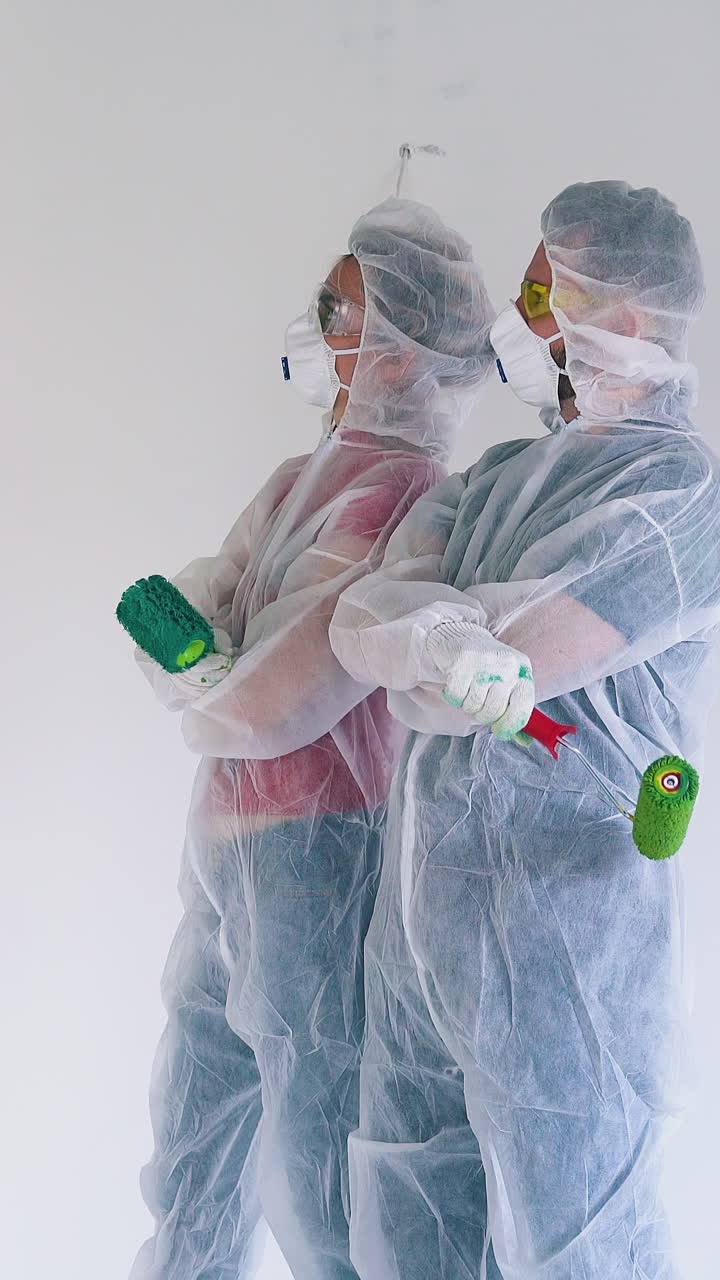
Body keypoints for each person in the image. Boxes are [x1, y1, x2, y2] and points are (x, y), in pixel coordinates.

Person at [329, 180, 720, 1279]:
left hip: (567, 940)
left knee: (577, 1246)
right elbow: (364, 618)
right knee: (412, 1226)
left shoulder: (683, 496)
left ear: (626, 317)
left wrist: (434, 640)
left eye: (545, 294)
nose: (519, 317)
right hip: (421, 930)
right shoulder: (496, 475)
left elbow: (509, 658)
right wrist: (438, 642)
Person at [129, 194, 495, 1280]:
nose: (319, 328)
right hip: (228, 852)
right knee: (194, 1142)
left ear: (400, 351)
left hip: (317, 862)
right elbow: (207, 604)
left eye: (340, 310)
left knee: (317, 1158)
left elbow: (276, 695)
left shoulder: (404, 497)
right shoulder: (299, 482)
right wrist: (211, 663)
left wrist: (206, 669)